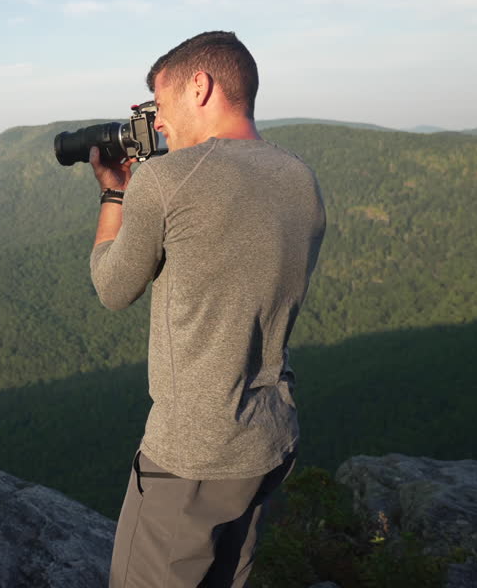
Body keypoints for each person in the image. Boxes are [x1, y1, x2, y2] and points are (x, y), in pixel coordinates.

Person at [89, 31, 326, 588]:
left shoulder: (166, 179)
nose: (158, 123)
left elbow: (112, 287)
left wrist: (115, 193)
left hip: (191, 457)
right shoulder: (300, 177)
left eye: (160, 104)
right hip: (268, 439)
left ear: (200, 86)